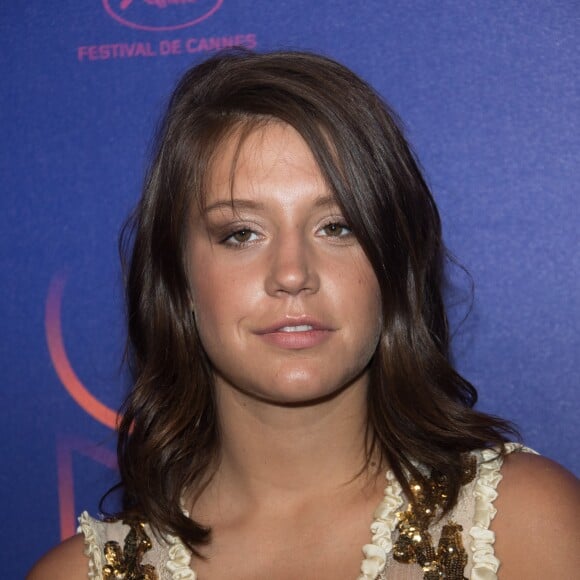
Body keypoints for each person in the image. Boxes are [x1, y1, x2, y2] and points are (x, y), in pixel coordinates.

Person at [29, 49, 579, 580]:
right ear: (179, 278)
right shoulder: (80, 574)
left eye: (337, 227)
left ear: (394, 264)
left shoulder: (527, 528)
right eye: (241, 233)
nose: (292, 273)